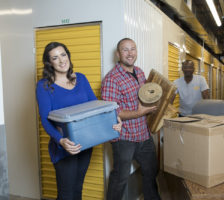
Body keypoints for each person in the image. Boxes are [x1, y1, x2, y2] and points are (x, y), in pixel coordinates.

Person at [36, 42, 121, 200]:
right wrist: (60, 141)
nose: (61, 60)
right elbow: (45, 120)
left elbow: (96, 108)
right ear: (49, 63)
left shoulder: (80, 78)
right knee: (66, 194)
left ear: (68, 56)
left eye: (63, 55)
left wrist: (115, 119)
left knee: (77, 190)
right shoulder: (44, 86)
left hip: (85, 144)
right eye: (55, 58)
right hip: (63, 148)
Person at [101, 38, 161, 200]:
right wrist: (139, 112)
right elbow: (113, 112)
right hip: (124, 138)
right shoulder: (112, 79)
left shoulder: (140, 72)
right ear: (118, 54)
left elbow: (146, 97)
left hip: (143, 134)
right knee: (120, 178)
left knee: (151, 170)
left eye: (132, 49)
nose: (130, 53)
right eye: (125, 50)